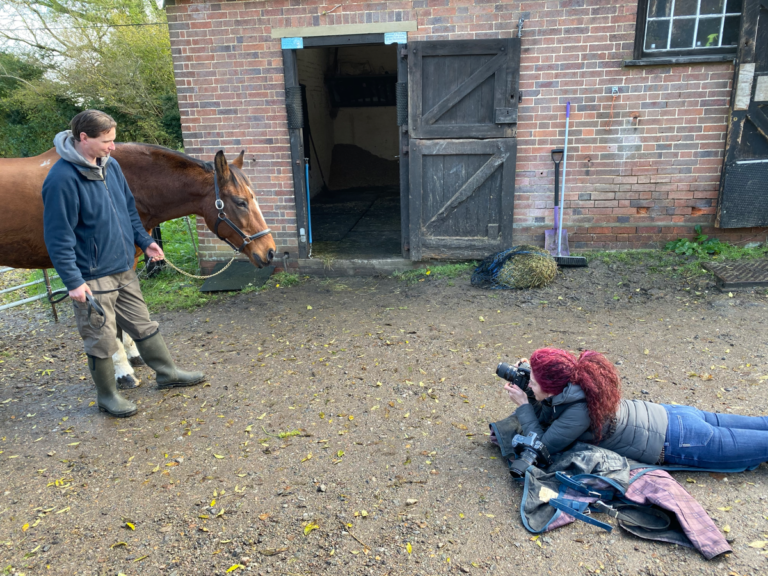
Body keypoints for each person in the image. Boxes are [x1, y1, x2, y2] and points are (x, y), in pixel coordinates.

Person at [42, 110, 205, 418]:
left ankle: (167, 373)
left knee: (143, 324)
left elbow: (129, 210)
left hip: (122, 267)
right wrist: (74, 281)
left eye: (113, 140)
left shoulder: (110, 166)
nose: (113, 147)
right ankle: (107, 396)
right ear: (84, 138)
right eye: (107, 141)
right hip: (92, 276)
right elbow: (57, 236)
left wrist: (144, 241)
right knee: (101, 338)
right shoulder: (61, 179)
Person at [504, 348, 768, 469]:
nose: (531, 385)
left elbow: (541, 448)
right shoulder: (575, 385)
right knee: (761, 423)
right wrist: (530, 387)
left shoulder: (577, 410)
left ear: (552, 387)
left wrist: (524, 406)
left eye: (534, 381)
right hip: (674, 416)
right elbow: (549, 408)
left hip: (680, 441)